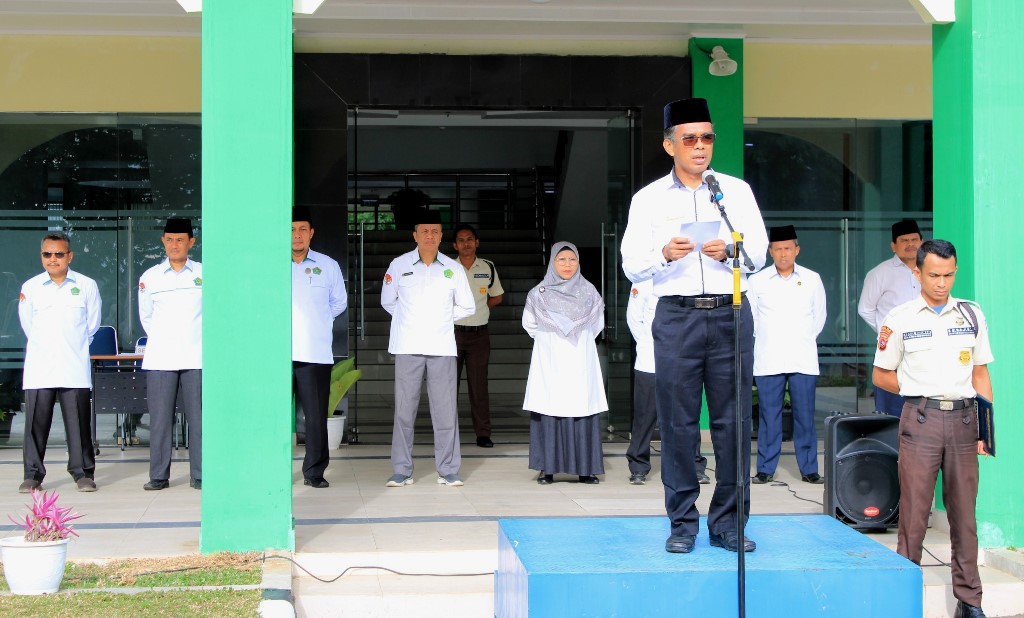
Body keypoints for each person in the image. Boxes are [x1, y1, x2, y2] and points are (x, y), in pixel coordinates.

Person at [620, 97, 768, 554]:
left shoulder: (735, 192)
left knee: (733, 422)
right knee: (679, 424)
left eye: (707, 137)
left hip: (730, 313)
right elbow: (630, 264)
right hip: (677, 317)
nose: (700, 147)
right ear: (670, 145)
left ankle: (728, 523)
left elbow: (759, 253)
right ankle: (682, 522)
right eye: (690, 139)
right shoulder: (647, 200)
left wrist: (731, 251)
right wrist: (664, 254)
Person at [872, 239, 992, 618]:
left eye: (949, 274)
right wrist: (915, 390)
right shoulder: (900, 318)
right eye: (934, 275)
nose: (942, 283)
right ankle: (904, 598)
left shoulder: (971, 314)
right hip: (920, 420)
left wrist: (986, 431)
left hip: (963, 420)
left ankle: (970, 602)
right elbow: (881, 374)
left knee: (964, 516)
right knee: (913, 514)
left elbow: (980, 371)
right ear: (917, 272)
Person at [382, 210, 475, 488]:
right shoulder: (399, 265)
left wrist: (443, 318)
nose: (430, 236)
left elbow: (468, 306)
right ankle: (401, 470)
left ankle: (448, 469)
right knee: (403, 411)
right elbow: (388, 302)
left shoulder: (453, 268)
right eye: (425, 231)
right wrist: (410, 320)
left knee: (445, 410)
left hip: (441, 347)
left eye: (435, 231)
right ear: (415, 235)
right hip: (408, 346)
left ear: (441, 236)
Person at [18, 231, 101, 493]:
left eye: (58, 254)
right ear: (42, 256)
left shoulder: (86, 285)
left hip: (73, 365)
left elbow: (92, 326)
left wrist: (71, 345)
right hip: (40, 367)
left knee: (78, 424)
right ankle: (33, 474)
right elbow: (28, 325)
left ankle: (82, 473)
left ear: (69, 256)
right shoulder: (30, 288)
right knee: (35, 425)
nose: (52, 259)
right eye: (47, 254)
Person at [747, 225, 827, 485]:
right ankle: (765, 469)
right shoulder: (757, 280)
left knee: (805, 416)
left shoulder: (812, 279)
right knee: (769, 416)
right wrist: (773, 338)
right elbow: (753, 320)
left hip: (802, 356)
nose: (783, 254)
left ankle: (809, 469)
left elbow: (819, 317)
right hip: (769, 356)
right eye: (778, 249)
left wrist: (800, 338)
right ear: (771, 251)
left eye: (788, 249)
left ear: (797, 250)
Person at [523, 242, 607, 484]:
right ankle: (547, 469)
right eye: (561, 260)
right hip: (549, 358)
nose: (567, 264)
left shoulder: (590, 292)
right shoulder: (538, 294)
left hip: (580, 357)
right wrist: (555, 337)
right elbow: (529, 325)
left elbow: (596, 326)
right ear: (552, 262)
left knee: (582, 408)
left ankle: (586, 469)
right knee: (550, 407)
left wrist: (573, 336)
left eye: (572, 259)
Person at [138, 218, 203, 491]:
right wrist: (169, 337)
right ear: (163, 242)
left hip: (197, 357)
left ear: (191, 242)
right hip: (161, 357)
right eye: (169, 240)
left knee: (199, 419)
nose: (174, 245)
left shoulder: (204, 272)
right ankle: (158, 476)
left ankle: (200, 474)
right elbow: (147, 317)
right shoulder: (150, 277)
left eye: (180, 239)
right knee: (160, 419)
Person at [625, 278, 709, 486]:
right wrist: (649, 343)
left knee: (688, 415)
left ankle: (695, 465)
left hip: (683, 359)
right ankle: (638, 466)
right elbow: (634, 321)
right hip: (649, 359)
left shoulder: (685, 279)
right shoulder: (642, 282)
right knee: (644, 418)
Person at [292, 206, 348, 489]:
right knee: (274, 415)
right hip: (276, 355)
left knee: (315, 417)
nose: (297, 235)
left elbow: (339, 302)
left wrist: (318, 321)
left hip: (314, 353)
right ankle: (272, 467)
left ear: (311, 233)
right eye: (291, 230)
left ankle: (314, 471)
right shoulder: (271, 265)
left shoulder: (328, 265)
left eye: (303, 229)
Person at [858, 218, 923, 416]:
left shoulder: (931, 271)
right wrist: (888, 333)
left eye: (914, 239)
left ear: (921, 242)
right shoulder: (880, 273)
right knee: (892, 412)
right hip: (893, 351)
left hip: (924, 348)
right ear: (893, 246)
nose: (910, 244)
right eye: (904, 240)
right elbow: (865, 309)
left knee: (925, 409)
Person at [452, 223, 504, 448]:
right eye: (461, 240)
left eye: (470, 239)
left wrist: (478, 310)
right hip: (451, 335)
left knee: (479, 387)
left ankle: (483, 433)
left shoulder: (488, 267)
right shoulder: (446, 268)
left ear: (477, 242)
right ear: (455, 245)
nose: (466, 244)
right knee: (447, 386)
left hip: (479, 336)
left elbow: (497, 297)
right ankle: (447, 434)